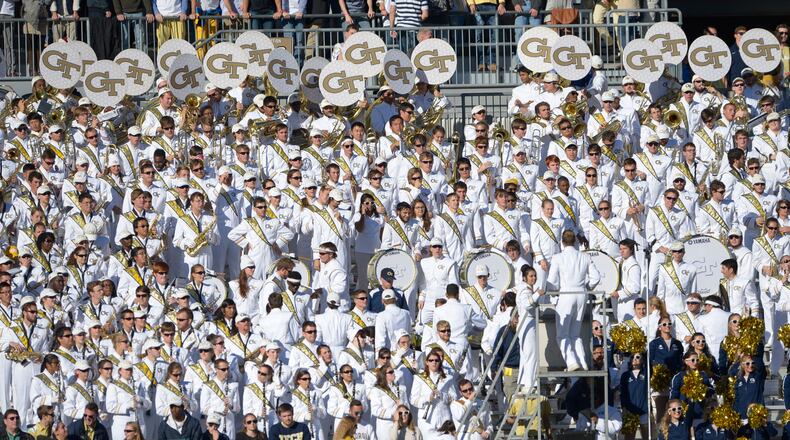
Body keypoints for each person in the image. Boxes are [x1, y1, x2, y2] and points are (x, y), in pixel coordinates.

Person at [547, 230, 601, 371]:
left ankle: (571, 362)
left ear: (562, 242)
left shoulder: (557, 257)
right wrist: (586, 287)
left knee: (562, 334)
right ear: (576, 242)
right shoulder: (585, 256)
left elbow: (552, 282)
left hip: (566, 293)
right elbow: (596, 277)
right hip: (581, 293)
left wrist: (552, 292)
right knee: (575, 334)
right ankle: (582, 363)